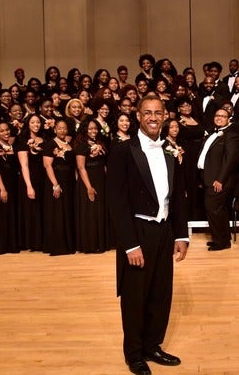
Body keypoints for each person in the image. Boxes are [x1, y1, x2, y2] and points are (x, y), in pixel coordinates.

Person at [106, 94, 188, 375]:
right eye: (147, 113)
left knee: (160, 294)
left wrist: (181, 235)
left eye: (158, 113)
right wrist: (130, 245)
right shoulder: (122, 150)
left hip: (164, 231)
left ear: (165, 116)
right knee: (135, 296)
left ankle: (153, 345)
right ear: (138, 116)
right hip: (137, 231)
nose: (153, 117)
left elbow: (177, 197)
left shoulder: (170, 149)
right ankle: (134, 354)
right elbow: (116, 201)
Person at [196, 108, 239, 251]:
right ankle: (222, 238)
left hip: (219, 180)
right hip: (208, 178)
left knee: (213, 209)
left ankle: (221, 241)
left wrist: (220, 179)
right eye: (217, 115)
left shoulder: (231, 135)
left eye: (223, 116)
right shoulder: (212, 132)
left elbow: (230, 160)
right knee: (218, 210)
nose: (219, 118)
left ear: (229, 119)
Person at [74, 119, 108, 253]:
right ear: (84, 130)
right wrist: (89, 187)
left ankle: (101, 243)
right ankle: (90, 244)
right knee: (90, 212)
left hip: (101, 180)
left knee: (99, 211)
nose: (93, 131)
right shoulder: (81, 145)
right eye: (90, 129)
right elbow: (81, 168)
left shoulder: (100, 143)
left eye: (95, 128)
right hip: (88, 180)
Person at [42, 119, 76, 256]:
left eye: (64, 128)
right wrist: (55, 184)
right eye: (59, 128)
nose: (62, 130)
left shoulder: (69, 144)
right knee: (58, 212)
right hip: (57, 180)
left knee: (67, 210)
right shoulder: (50, 144)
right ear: (55, 129)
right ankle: (58, 246)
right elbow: (47, 165)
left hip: (69, 181)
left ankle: (69, 243)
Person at [0, 121, 20, 254]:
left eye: (7, 130)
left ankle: (11, 244)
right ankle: (2, 245)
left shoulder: (10, 146)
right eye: (2, 131)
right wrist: (2, 189)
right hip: (1, 184)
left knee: (10, 214)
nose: (6, 132)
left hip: (12, 183)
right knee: (2, 214)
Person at [16, 114, 45, 251]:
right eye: (33, 122)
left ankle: (42, 240)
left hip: (43, 178)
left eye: (38, 122)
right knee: (31, 210)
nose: (36, 125)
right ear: (28, 124)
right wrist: (29, 185)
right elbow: (24, 165)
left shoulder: (44, 139)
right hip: (30, 178)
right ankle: (32, 242)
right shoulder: (22, 140)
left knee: (41, 209)